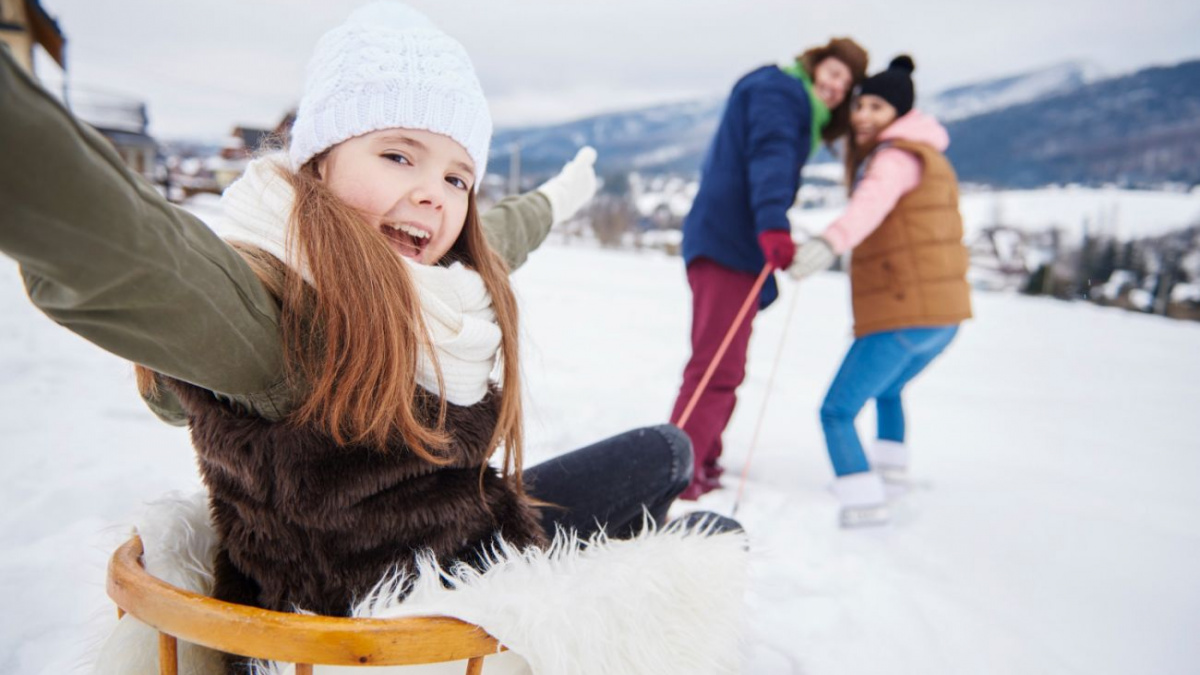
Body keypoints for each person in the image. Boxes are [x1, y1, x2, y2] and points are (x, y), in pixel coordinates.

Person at [0, 4, 744, 668]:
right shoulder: (272, 313)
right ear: (319, 162)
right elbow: (126, 247)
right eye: (398, 154)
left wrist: (564, 193)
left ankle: (632, 542)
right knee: (692, 504)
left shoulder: (431, 285)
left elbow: (502, 234)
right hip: (388, 628)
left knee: (665, 452)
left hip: (464, 538)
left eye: (458, 177)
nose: (434, 192)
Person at [670, 38, 869, 499]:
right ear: (816, 64)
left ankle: (702, 455)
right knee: (715, 363)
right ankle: (678, 468)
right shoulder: (781, 94)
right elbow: (770, 158)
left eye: (847, 82)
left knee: (727, 362)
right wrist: (774, 227)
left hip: (732, 246)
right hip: (727, 243)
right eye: (835, 73)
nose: (838, 87)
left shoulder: (785, 97)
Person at [788, 56, 973, 527]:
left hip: (904, 314)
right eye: (860, 105)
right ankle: (890, 476)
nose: (864, 115)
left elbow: (869, 206)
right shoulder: (928, 153)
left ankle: (863, 501)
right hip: (943, 318)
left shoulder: (894, 157)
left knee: (836, 411)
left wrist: (829, 242)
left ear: (899, 111)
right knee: (889, 391)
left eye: (876, 106)